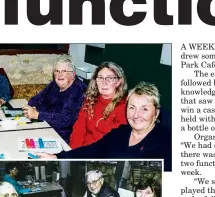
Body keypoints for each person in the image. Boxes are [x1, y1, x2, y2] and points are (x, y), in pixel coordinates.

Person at [35, 82, 172, 171]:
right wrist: (58, 157)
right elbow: (92, 150)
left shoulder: (164, 144)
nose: (136, 115)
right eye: (132, 107)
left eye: (144, 109)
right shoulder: (120, 132)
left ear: (156, 113)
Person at [23, 58, 87, 141]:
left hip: (62, 138)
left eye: (64, 71)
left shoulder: (78, 90)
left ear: (73, 74)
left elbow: (65, 119)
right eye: (57, 71)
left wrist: (37, 114)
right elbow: (36, 98)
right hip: (44, 127)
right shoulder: (54, 84)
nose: (60, 75)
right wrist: (33, 107)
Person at [69, 62, 128, 149]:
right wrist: (75, 153)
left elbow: (120, 142)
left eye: (110, 78)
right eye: (100, 78)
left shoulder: (125, 106)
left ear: (119, 82)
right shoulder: (90, 100)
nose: (104, 82)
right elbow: (79, 130)